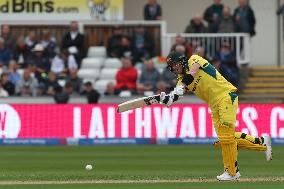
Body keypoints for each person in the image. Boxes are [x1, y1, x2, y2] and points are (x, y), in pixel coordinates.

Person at [160, 51, 272, 181]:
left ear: (181, 61)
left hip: (225, 96)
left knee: (226, 137)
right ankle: (261, 143)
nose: (173, 68)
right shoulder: (180, 79)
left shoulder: (194, 60)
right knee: (226, 138)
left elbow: (193, 73)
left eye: (174, 65)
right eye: (171, 67)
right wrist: (168, 99)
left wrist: (183, 85)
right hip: (214, 105)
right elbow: (176, 95)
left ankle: (232, 172)